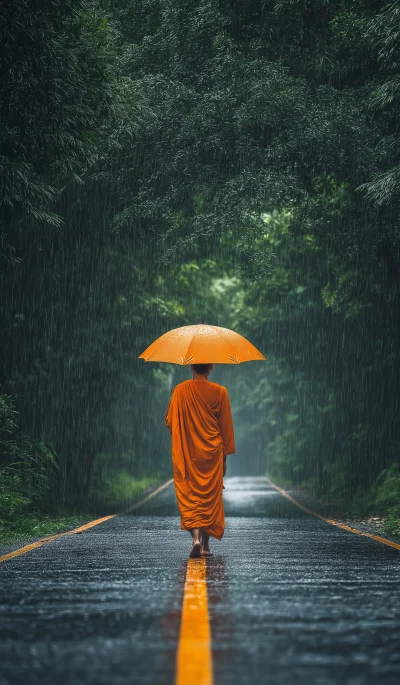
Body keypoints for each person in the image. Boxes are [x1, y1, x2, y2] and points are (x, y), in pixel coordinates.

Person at [165, 363, 235, 558]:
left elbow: (171, 421)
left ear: (191, 367)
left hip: (188, 452)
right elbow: (226, 426)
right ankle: (205, 546)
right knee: (209, 498)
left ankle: (195, 538)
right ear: (211, 368)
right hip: (212, 452)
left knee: (190, 495)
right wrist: (225, 456)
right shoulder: (220, 392)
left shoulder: (180, 391)